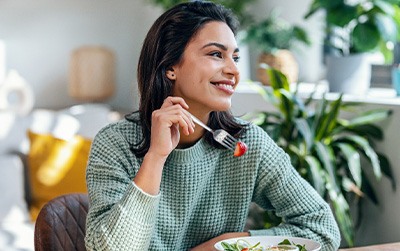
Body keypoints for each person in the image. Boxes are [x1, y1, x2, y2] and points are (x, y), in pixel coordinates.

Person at [84, 1, 341, 250]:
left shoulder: (247, 144)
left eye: (235, 57)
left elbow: (322, 228)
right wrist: (156, 157)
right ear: (171, 66)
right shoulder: (115, 143)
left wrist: (228, 244)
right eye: (216, 54)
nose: (233, 71)